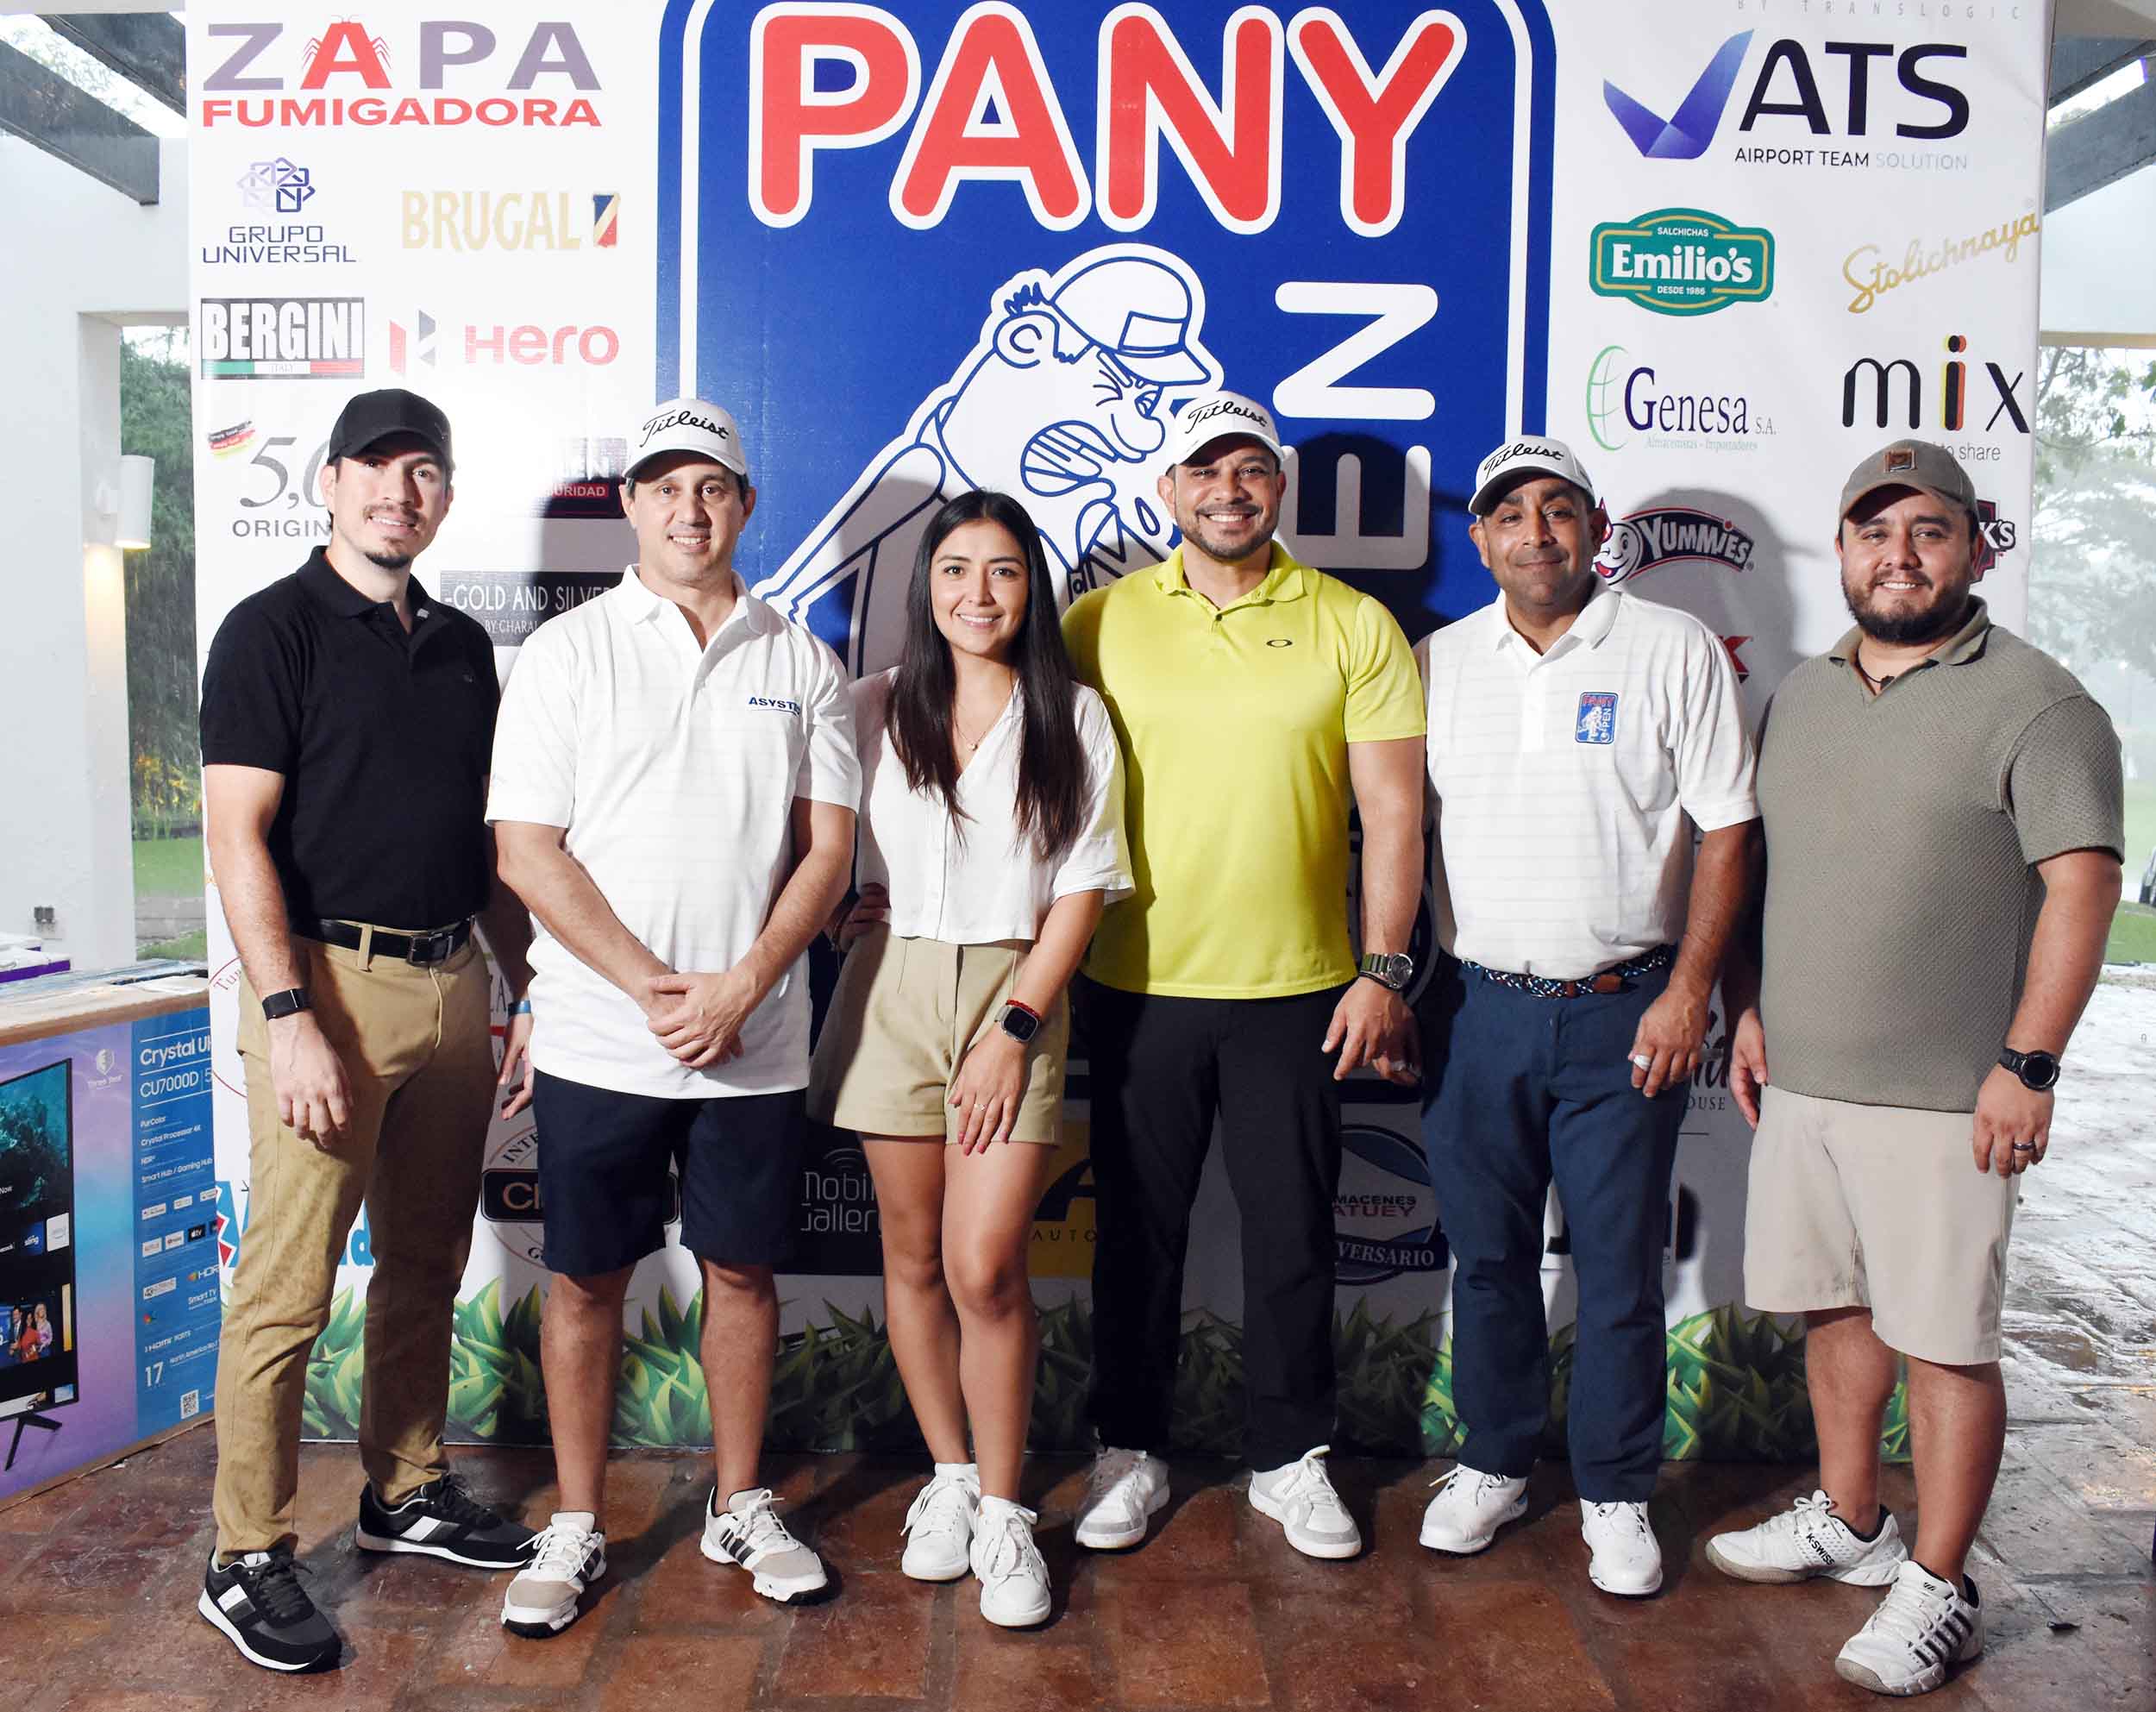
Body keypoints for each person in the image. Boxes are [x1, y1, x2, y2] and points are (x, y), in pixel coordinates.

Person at [1708, 440, 2123, 1696]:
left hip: (1950, 1097)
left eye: (1928, 530)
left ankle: (1942, 1583)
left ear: (1977, 548)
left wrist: (2029, 1063)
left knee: (1946, 1342)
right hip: (1805, 1080)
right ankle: (1852, 1518)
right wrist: (1747, 1006)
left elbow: (2083, 889)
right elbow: (1771, 871)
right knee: (1835, 1309)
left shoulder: (2042, 704)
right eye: (1874, 531)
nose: (1898, 555)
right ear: (1841, 550)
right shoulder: (1802, 695)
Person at [488, 398, 861, 1637]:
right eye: (664, 487)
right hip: (601, 1036)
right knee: (586, 1279)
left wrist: (742, 984)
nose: (689, 510)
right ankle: (578, 1519)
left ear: (745, 505)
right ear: (631, 504)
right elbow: (527, 851)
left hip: (754, 1040)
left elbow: (828, 854)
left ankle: (739, 1501)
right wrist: (655, 985)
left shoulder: (802, 661)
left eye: (712, 488)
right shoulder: (567, 652)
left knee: (742, 1271)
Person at [198, 387, 539, 1673]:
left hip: (453, 982)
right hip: (325, 986)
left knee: (424, 1263)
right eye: (377, 468)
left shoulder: (459, 645)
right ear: (330, 482)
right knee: (286, 1288)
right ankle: (245, 1555)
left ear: (444, 494)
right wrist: (289, 1015)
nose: (401, 491)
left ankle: (405, 1488)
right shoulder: (270, 629)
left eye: (425, 471)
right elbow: (235, 836)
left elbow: (482, 837)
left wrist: (523, 984)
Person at [1062, 391, 1426, 1560]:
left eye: (1251, 470)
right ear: (1166, 489)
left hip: (1301, 991)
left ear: (1278, 486)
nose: (1229, 490)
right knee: (1136, 1237)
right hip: (1135, 983)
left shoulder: (1352, 623)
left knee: (1293, 1236)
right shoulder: (1097, 622)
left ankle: (1290, 1455)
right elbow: (1033, 786)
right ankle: (1129, 1447)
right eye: (1205, 470)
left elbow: (1394, 812)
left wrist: (1383, 969)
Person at [1414, 436, 1758, 1597]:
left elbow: (1727, 825)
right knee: (1488, 1260)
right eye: (1510, 513)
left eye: (1559, 509)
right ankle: (1494, 1463)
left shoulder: (1671, 646)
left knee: (1617, 1269)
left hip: (1627, 1011)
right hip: (1477, 1009)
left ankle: (1615, 1490)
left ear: (1596, 527)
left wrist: (1691, 989)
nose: (1536, 532)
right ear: (1480, 539)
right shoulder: (1438, 663)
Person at [812, 489, 1131, 1627]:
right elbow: (816, 842)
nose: (978, 593)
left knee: (986, 1266)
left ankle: (1006, 1510)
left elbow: (1082, 888)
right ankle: (949, 1476)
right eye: (955, 569)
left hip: (1015, 990)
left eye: (1003, 570)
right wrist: (848, 906)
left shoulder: (1073, 716)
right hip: (892, 984)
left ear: (1032, 588)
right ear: (926, 585)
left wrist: (1015, 1028)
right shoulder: (869, 705)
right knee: (909, 1260)